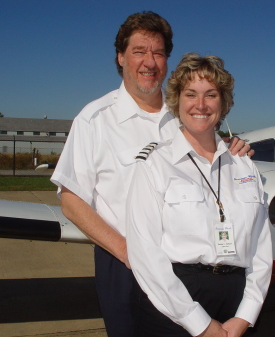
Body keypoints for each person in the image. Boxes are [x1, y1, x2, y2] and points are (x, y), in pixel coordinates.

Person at [50, 11, 251, 337]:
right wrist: (132, 253)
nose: (149, 62)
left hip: (190, 266)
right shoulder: (95, 119)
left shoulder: (185, 114)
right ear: (120, 57)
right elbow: (72, 201)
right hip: (124, 264)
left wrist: (234, 147)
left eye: (158, 53)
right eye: (139, 51)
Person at [126, 53, 272, 337]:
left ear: (224, 103)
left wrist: (246, 314)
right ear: (177, 100)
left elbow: (261, 248)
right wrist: (198, 323)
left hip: (236, 305)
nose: (201, 105)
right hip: (173, 304)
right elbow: (145, 253)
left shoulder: (244, 164)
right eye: (191, 94)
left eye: (211, 95)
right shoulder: (155, 164)